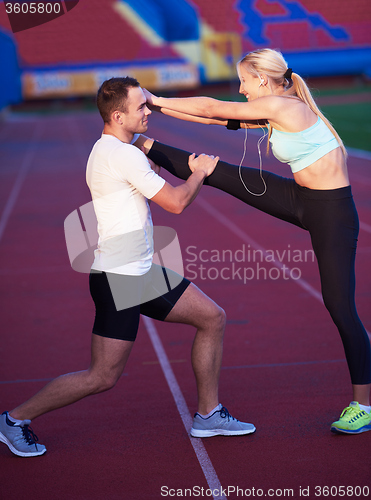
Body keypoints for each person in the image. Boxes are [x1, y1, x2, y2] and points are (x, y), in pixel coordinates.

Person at [0, 77, 256, 458]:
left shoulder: (112, 148)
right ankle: (13, 420)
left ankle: (208, 414)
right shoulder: (123, 155)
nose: (148, 110)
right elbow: (175, 202)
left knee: (212, 317)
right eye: (141, 107)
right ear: (118, 116)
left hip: (139, 273)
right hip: (120, 279)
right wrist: (200, 171)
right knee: (101, 377)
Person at [139, 48, 371, 435]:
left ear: (262, 79)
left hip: (332, 213)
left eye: (245, 81)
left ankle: (363, 405)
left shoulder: (285, 107)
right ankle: (144, 146)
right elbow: (213, 120)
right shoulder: (275, 107)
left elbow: (214, 108)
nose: (242, 89)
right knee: (217, 172)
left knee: (340, 307)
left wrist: (157, 99)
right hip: (299, 199)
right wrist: (153, 113)